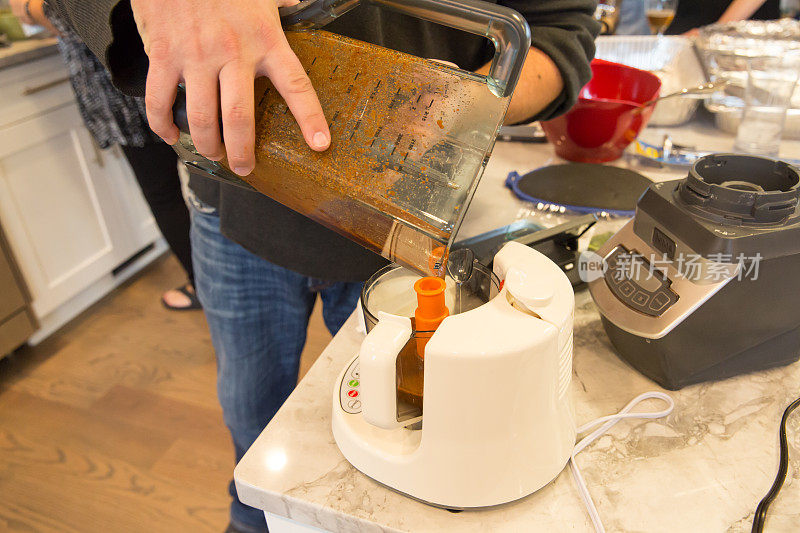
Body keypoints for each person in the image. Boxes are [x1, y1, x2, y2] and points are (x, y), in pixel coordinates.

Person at [46, 1, 599, 531]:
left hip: (397, 226)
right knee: (249, 400)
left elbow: (560, 33)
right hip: (237, 206)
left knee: (398, 413)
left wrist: (460, 105)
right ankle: (251, 513)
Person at [10, 0, 201, 311]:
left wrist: (29, 8)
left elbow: (72, 16)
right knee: (207, 181)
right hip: (156, 68)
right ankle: (217, 280)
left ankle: (205, 284)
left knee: (174, 191)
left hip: (128, 78)